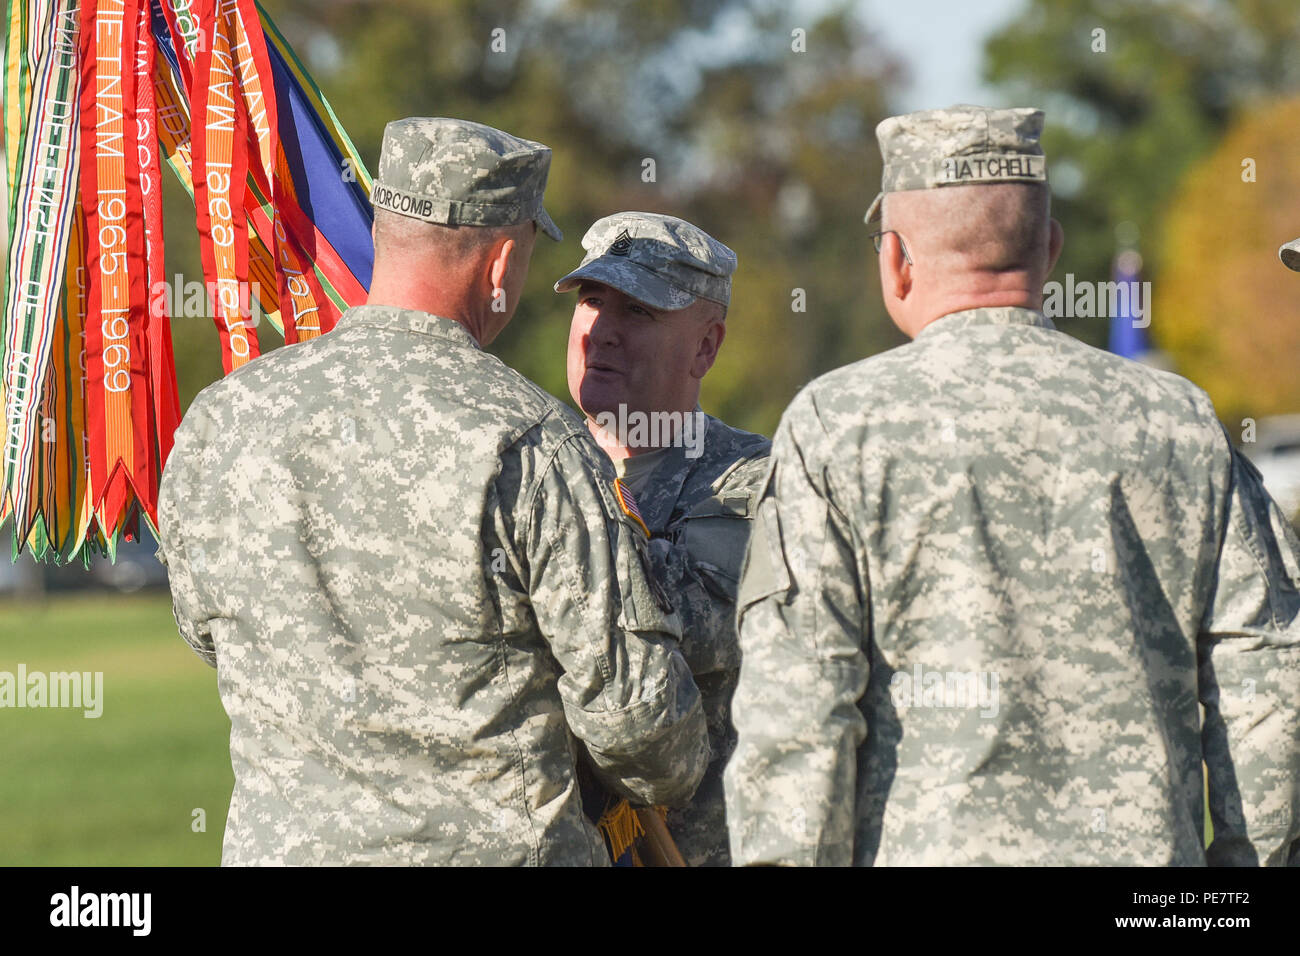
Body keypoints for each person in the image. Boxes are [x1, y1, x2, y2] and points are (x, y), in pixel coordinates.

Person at [724, 105, 1300, 866]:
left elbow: (799, 720)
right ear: (1051, 249)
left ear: (895, 260)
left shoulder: (835, 427)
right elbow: (1269, 686)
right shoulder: (1180, 421)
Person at [157, 118, 708, 866]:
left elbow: (207, 633)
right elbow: (641, 728)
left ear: (386, 231)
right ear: (503, 261)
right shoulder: (530, 440)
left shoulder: (224, 416)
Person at [555, 212, 770, 866]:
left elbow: (707, 629)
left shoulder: (753, 482)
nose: (604, 332)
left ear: (706, 347)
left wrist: (546, 553)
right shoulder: (532, 466)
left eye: (639, 313)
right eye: (593, 301)